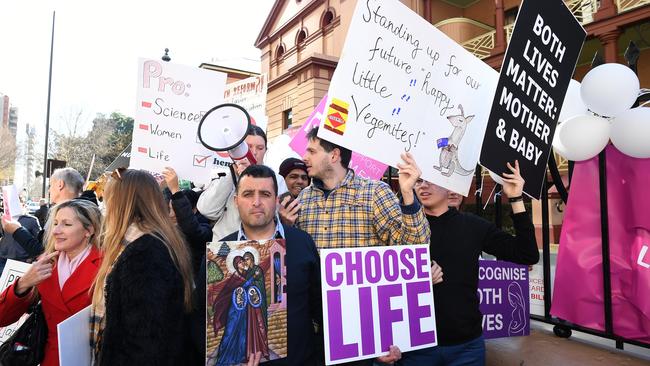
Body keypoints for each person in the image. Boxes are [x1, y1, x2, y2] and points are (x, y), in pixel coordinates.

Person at [280, 127, 430, 365]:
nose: (304, 157)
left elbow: (414, 250)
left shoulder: (374, 193)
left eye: (311, 150)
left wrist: (408, 195)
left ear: (334, 155)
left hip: (360, 333)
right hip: (314, 330)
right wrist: (285, 230)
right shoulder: (301, 201)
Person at [398, 160, 539, 366]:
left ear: (450, 187)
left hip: (466, 347)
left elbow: (527, 255)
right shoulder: (402, 228)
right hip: (415, 346)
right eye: (418, 181)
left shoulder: (473, 226)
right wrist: (418, 280)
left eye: (431, 180)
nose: (423, 186)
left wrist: (516, 198)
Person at [220, 164, 322, 365]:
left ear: (276, 201)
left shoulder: (302, 243)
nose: (256, 202)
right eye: (248, 194)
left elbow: (321, 308)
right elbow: (203, 318)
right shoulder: (220, 252)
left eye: (265, 194)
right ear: (236, 201)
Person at [90, 168, 194, 365]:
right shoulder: (147, 242)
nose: (105, 206)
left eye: (108, 199)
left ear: (122, 203)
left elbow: (145, 340)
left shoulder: (145, 253)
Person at [0, 199, 102, 366]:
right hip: (50, 358)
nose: (56, 230)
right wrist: (24, 283)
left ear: (88, 230)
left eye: (66, 224)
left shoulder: (108, 266)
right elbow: (2, 318)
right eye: (55, 223)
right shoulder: (46, 264)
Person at [197, 125, 286, 241]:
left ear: (266, 150)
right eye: (249, 147)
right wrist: (233, 174)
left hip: (264, 246)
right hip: (227, 247)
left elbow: (278, 214)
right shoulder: (225, 176)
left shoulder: (277, 180)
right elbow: (207, 210)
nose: (254, 152)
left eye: (260, 148)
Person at [1, 168, 85, 259]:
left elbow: (46, 254)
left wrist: (17, 230)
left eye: (50, 185)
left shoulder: (77, 213)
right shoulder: (62, 211)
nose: (49, 190)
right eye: (56, 223)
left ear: (60, 184)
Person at [163, 166, 211, 275]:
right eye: (170, 209)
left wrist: (176, 191)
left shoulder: (206, 230)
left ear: (193, 209)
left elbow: (192, 230)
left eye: (177, 209)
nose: (171, 214)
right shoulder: (165, 229)